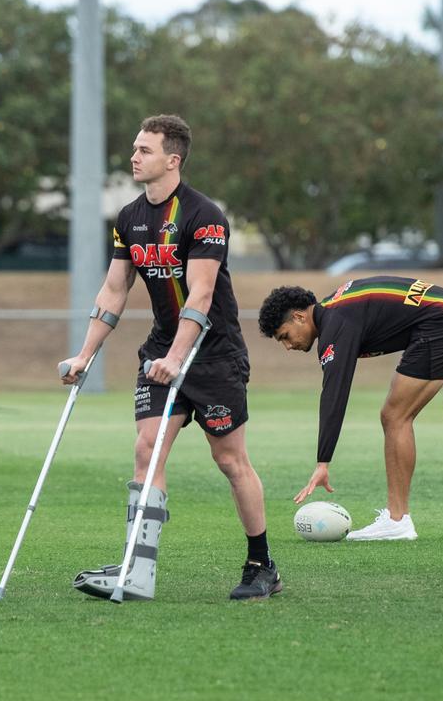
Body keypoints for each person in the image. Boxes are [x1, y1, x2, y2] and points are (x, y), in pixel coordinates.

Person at [61, 114, 281, 601]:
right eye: (135, 148)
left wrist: (180, 357)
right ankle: (137, 570)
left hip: (214, 354)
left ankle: (262, 563)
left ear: (172, 159)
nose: (134, 157)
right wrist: (84, 355)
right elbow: (115, 290)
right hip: (161, 350)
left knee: (229, 459)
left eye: (144, 150)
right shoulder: (129, 218)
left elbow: (200, 296)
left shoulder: (205, 217)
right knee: (147, 447)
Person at [257, 277, 443, 540]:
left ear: (299, 316)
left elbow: (334, 393)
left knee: (394, 416)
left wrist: (323, 461)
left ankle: (397, 519)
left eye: (284, 336)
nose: (288, 346)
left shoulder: (335, 323)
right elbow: (403, 296)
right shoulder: (340, 305)